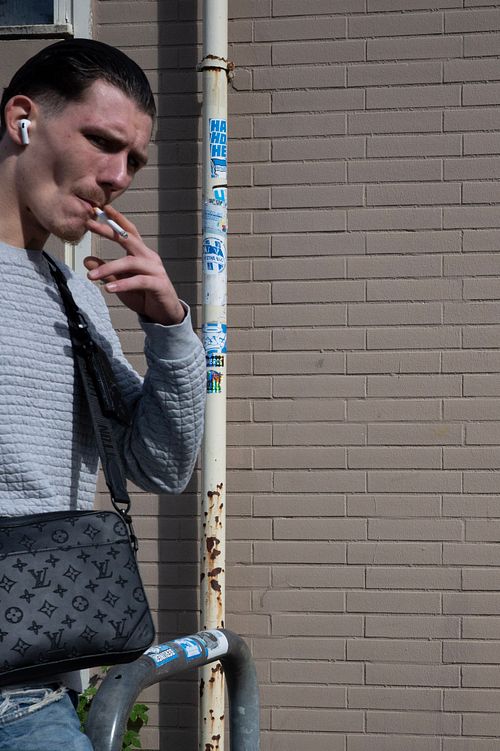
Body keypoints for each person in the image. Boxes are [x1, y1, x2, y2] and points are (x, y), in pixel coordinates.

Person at [0, 38, 206, 749]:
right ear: (23, 120)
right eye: (101, 142)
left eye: (134, 162)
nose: (117, 177)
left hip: (28, 691)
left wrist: (171, 329)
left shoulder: (75, 295)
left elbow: (161, 466)